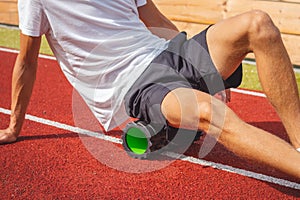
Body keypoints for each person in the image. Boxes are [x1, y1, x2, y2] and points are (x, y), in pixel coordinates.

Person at [0, 0, 300, 178]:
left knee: (257, 23)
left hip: (167, 53)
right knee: (210, 112)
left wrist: (206, 71)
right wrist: (15, 126)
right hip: (136, 82)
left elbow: (156, 21)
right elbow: (26, 61)